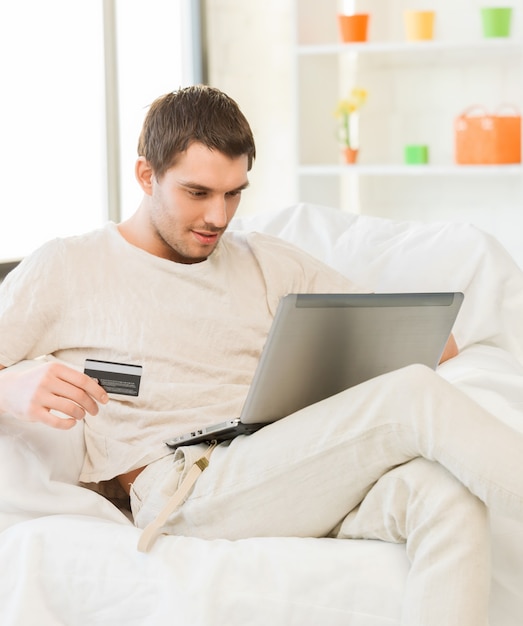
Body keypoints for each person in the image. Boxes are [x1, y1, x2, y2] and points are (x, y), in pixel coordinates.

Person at [0, 84, 521, 625]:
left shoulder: (268, 262)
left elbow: (429, 343)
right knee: (412, 394)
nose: (218, 218)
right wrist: (12, 386)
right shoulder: (70, 266)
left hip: (288, 464)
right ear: (145, 176)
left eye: (234, 194)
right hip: (183, 484)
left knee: (447, 496)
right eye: (197, 193)